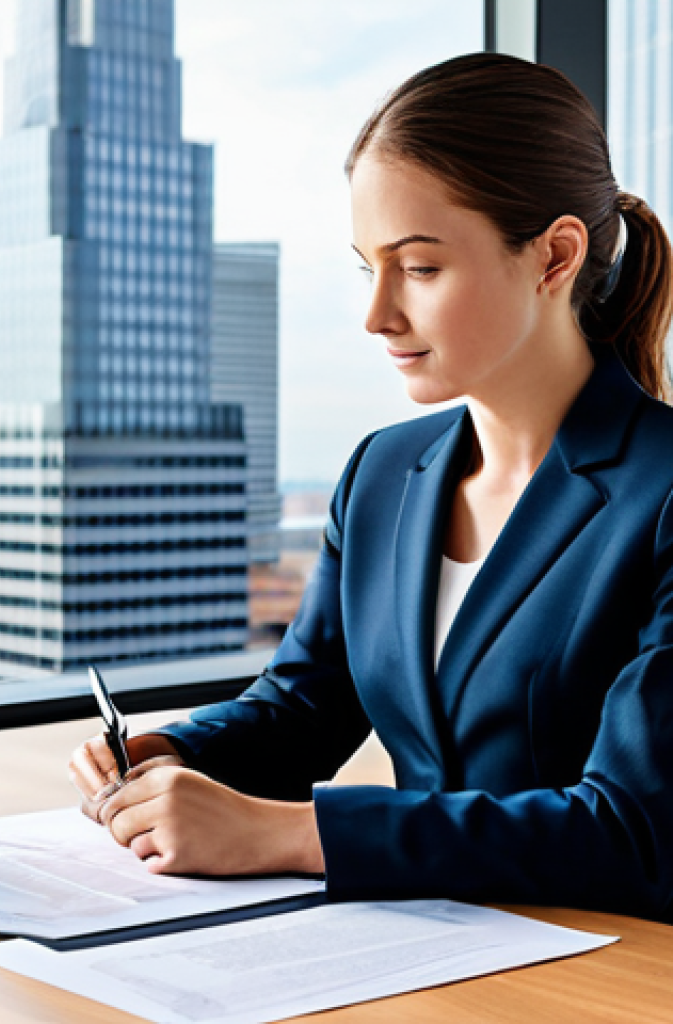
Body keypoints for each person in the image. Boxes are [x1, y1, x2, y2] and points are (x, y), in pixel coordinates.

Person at [68, 52, 673, 920]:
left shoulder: (663, 495)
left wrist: (287, 836)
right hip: (420, 951)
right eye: (367, 267)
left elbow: (633, 832)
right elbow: (304, 709)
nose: (376, 314)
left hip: (604, 971)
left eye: (419, 268)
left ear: (555, 256)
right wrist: (169, 752)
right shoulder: (384, 472)